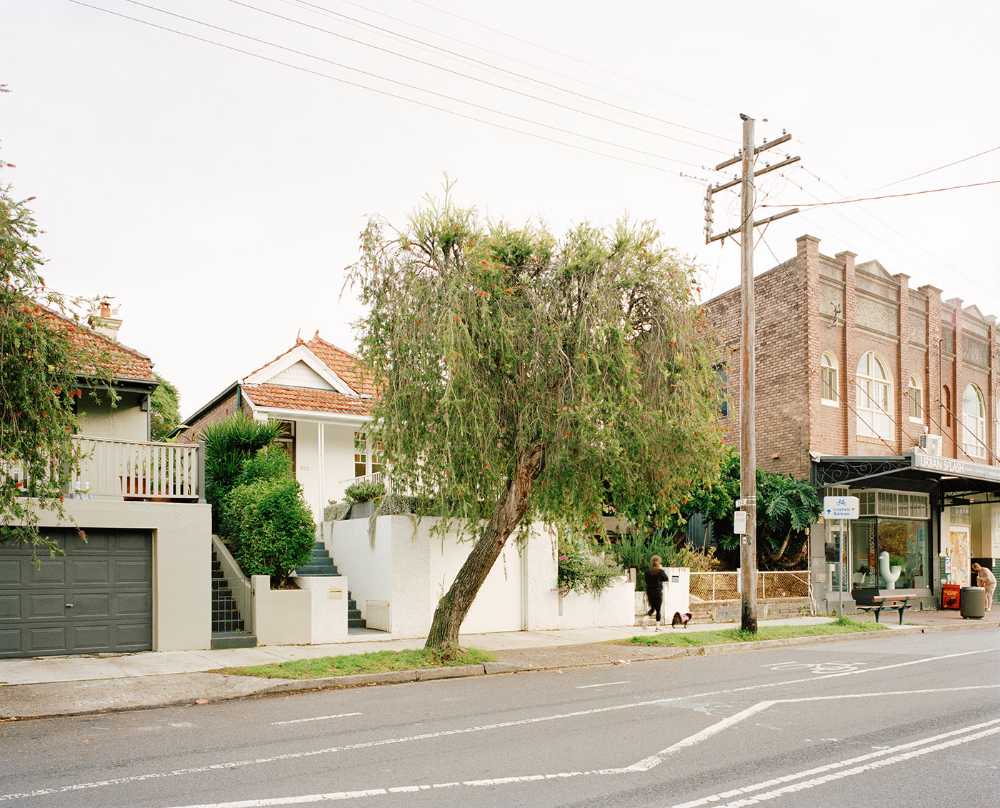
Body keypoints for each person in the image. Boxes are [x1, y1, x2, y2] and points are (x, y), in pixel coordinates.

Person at [644, 555, 669, 625]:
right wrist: (661, 569)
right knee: (658, 610)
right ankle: (658, 627)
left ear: (651, 563)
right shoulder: (660, 571)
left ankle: (645, 618)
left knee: (652, 608)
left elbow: (646, 581)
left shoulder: (647, 572)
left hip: (649, 593)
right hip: (657, 593)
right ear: (659, 562)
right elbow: (666, 578)